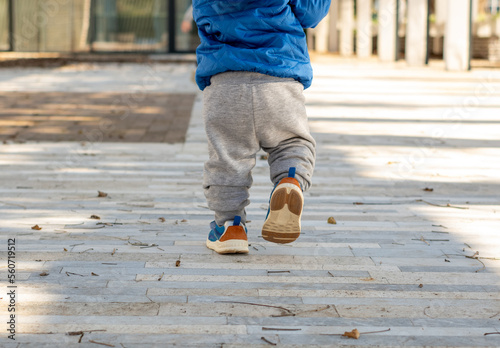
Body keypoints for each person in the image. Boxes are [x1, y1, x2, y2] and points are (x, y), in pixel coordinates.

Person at [192, 0, 331, 254]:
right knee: (291, 142)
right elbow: (311, 13)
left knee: (227, 159)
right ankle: (290, 180)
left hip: (225, 81)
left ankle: (230, 227)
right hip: (280, 76)